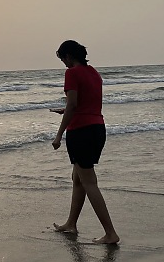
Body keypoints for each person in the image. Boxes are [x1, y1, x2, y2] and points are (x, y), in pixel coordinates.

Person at [51, 40, 119, 244]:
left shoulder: (72, 73)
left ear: (69, 56)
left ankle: (110, 233)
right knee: (78, 178)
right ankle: (71, 224)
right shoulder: (94, 73)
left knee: (89, 182)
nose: (63, 62)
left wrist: (58, 135)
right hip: (97, 129)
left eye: (63, 58)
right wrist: (67, 112)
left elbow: (72, 104)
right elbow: (86, 103)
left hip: (80, 132)